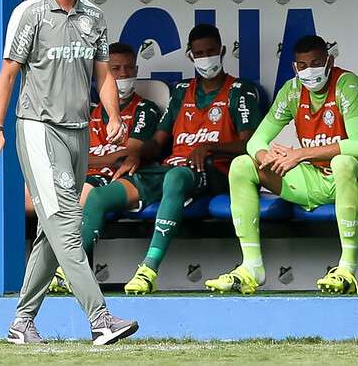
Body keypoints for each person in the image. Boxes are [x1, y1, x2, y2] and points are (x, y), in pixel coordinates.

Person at [0, 0, 138, 345]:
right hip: (37, 129)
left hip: (78, 132)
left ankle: (22, 321)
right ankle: (101, 318)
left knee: (50, 235)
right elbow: (7, 76)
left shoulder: (94, 16)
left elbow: (103, 73)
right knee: (67, 224)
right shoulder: (29, 13)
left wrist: (112, 116)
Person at [80, 24, 262, 295]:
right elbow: (158, 142)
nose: (206, 58)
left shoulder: (240, 89)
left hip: (216, 170)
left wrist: (210, 147)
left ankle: (148, 269)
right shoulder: (181, 91)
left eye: (211, 51)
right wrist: (136, 154)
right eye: (199, 53)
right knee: (99, 197)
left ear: (222, 51)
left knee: (176, 176)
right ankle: (67, 271)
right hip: (173, 168)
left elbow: (250, 143)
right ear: (190, 56)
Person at [205, 35, 358, 295]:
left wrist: (300, 154)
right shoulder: (291, 90)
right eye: (302, 65)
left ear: (329, 61)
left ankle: (346, 268)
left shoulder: (348, 85)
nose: (309, 71)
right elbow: (255, 141)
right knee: (242, 165)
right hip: (314, 178)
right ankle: (251, 267)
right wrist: (263, 155)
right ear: (294, 67)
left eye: (316, 63)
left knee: (343, 163)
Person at [47, 42, 161, 294]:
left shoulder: (145, 109)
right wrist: (92, 160)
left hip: (109, 181)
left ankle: (66, 270)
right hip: (76, 178)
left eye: (129, 69)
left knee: (80, 195)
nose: (123, 75)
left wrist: (89, 160)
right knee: (21, 198)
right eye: (116, 69)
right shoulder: (86, 111)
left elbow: (125, 156)